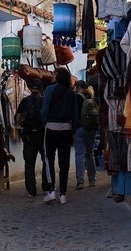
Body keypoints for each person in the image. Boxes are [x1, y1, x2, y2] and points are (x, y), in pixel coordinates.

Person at [41, 67, 78, 205]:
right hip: (66, 129)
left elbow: (45, 109)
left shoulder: (50, 90)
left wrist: (45, 123)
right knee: (64, 162)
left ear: (57, 76)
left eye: (54, 74)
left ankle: (51, 190)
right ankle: (63, 194)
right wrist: (73, 130)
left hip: (51, 128)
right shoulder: (71, 93)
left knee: (49, 160)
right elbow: (75, 115)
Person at [14, 79, 50, 197]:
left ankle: (31, 190)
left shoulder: (24, 101)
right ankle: (46, 186)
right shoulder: (44, 100)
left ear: (30, 88)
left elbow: (18, 118)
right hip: (42, 134)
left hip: (29, 135)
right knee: (46, 160)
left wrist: (23, 125)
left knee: (29, 163)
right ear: (41, 89)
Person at [73, 80, 97, 190]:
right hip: (91, 129)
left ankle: (80, 181)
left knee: (79, 155)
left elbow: (74, 114)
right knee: (90, 153)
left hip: (80, 128)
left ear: (78, 87)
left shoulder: (77, 97)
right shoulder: (92, 96)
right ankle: (92, 179)